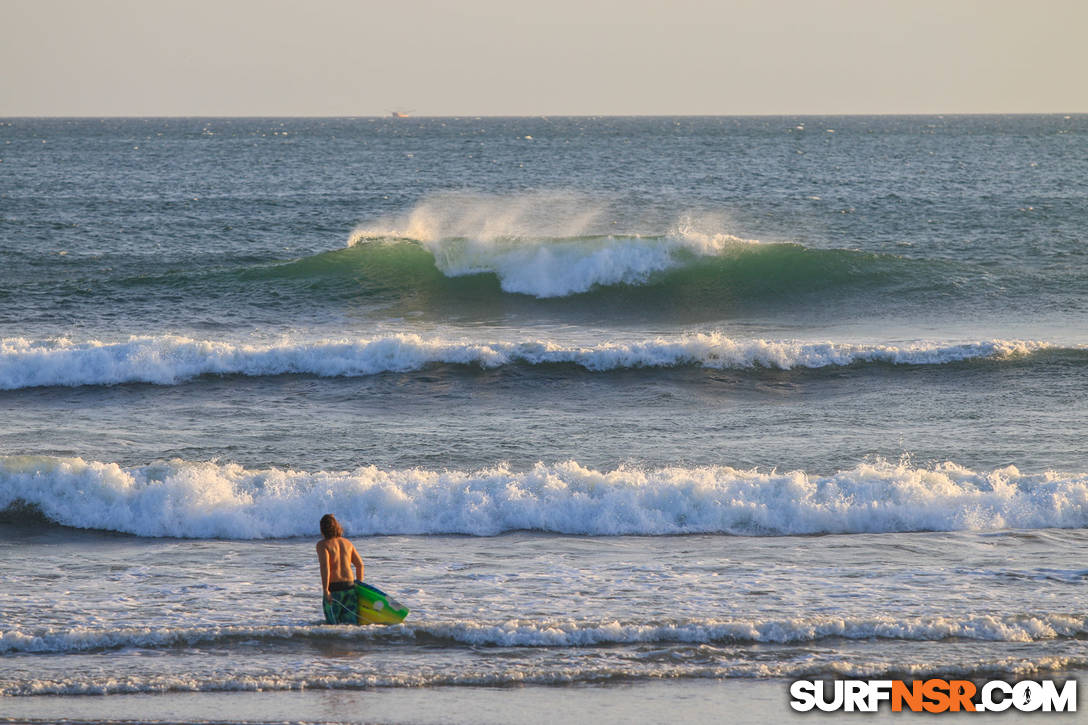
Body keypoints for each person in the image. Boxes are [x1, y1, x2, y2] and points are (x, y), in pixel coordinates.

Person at [317, 514, 364, 624]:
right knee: (351, 626)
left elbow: (325, 567)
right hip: (350, 588)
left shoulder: (322, 545)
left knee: (332, 626)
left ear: (322, 529)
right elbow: (360, 565)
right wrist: (359, 585)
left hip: (335, 590)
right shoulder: (347, 543)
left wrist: (325, 590)